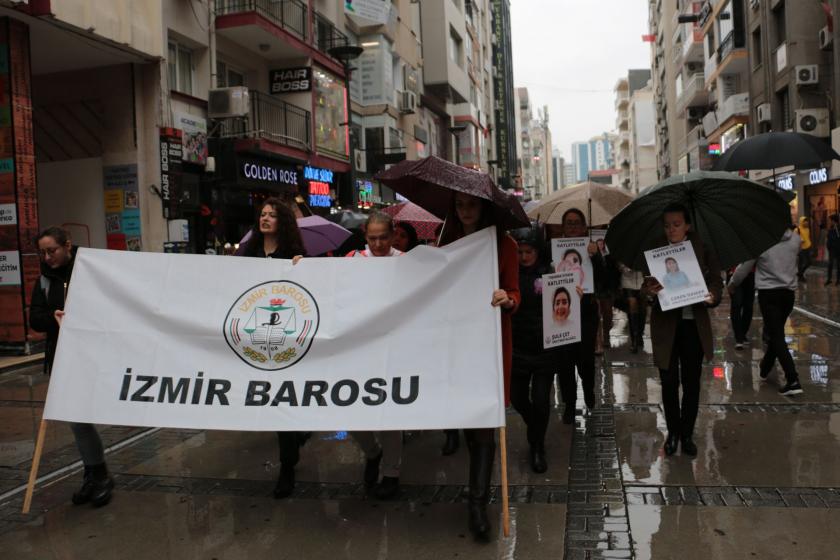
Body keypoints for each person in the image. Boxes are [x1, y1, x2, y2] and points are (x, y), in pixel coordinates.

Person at [438, 191, 520, 541]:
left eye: (471, 204)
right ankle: (476, 493)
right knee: (467, 421)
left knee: (484, 426)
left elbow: (516, 292)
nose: (465, 210)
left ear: (483, 208)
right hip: (453, 343)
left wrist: (507, 298)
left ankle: (477, 504)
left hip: (488, 344)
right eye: (460, 205)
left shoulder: (505, 245)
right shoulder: (446, 244)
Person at [29, 226, 115, 507]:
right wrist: (52, 317)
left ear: (67, 245)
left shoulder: (90, 270)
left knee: (81, 419)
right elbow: (36, 318)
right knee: (78, 420)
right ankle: (96, 474)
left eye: (51, 250)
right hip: (64, 357)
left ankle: (97, 474)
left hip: (93, 356)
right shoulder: (44, 279)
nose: (47, 257)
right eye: (42, 252)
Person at [239, 197, 306, 498]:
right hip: (254, 336)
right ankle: (299, 438)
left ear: (283, 222)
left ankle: (287, 467)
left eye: (272, 215)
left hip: (285, 339)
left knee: (283, 406)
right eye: (262, 214)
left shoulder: (295, 254)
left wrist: (302, 269)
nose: (265, 219)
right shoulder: (248, 252)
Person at [642, 203, 721, 458]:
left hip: (693, 325)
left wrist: (712, 296)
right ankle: (673, 432)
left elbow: (716, 282)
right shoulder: (655, 250)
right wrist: (649, 291)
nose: (671, 230)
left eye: (676, 224)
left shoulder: (703, 248)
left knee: (691, 382)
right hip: (666, 326)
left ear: (687, 225)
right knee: (668, 381)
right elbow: (646, 286)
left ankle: (687, 433)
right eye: (667, 225)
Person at [345, 212, 404, 499]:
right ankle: (372, 453)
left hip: (394, 348)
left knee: (390, 415)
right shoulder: (353, 260)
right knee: (352, 411)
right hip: (360, 348)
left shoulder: (405, 262)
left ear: (393, 235)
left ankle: (392, 473)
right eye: (373, 238)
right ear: (365, 237)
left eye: (383, 237)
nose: (378, 244)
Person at [729, 226, 803, 396]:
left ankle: (792, 379)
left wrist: (733, 283)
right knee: (775, 332)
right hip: (788, 295)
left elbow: (745, 266)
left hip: (769, 295)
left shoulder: (762, 241)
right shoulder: (796, 239)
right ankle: (764, 368)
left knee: (776, 336)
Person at [510, 224, 560, 473]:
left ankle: (537, 445)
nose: (525, 257)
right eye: (520, 252)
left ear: (538, 252)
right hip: (517, 347)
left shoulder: (550, 273)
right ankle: (535, 426)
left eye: (529, 252)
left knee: (541, 400)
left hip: (544, 349)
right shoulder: (507, 275)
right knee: (517, 397)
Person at [549, 208, 602, 422]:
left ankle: (589, 389)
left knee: (585, 361)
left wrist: (596, 256)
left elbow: (604, 279)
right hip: (561, 314)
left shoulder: (590, 250)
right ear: (563, 227)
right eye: (568, 223)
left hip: (586, 312)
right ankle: (569, 405)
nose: (572, 227)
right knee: (564, 363)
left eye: (576, 223)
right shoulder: (553, 251)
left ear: (583, 227)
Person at [618, 262, 646, 353]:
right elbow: (619, 266)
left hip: (642, 283)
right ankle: (634, 339)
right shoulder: (625, 250)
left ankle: (639, 336)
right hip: (628, 283)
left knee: (642, 309)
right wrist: (628, 268)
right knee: (632, 306)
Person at [728, 264, 755, 350]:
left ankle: (743, 334)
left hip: (750, 275)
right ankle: (739, 338)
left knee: (748, 307)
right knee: (736, 305)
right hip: (734, 274)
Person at [825, 214, 839, 286]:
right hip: (832, 249)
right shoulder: (831, 228)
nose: (830, 222)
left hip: (838, 249)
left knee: (838, 265)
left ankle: (838, 280)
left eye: (831, 220)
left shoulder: (838, 229)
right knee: (830, 264)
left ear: (834, 221)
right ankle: (829, 279)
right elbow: (829, 238)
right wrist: (828, 246)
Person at [797, 216, 812, 280]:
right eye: (805, 221)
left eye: (807, 221)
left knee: (809, 262)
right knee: (801, 262)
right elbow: (794, 239)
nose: (806, 222)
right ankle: (801, 276)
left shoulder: (807, 229)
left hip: (808, 247)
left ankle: (800, 273)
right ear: (801, 222)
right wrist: (800, 239)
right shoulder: (797, 229)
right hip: (801, 248)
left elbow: (808, 237)